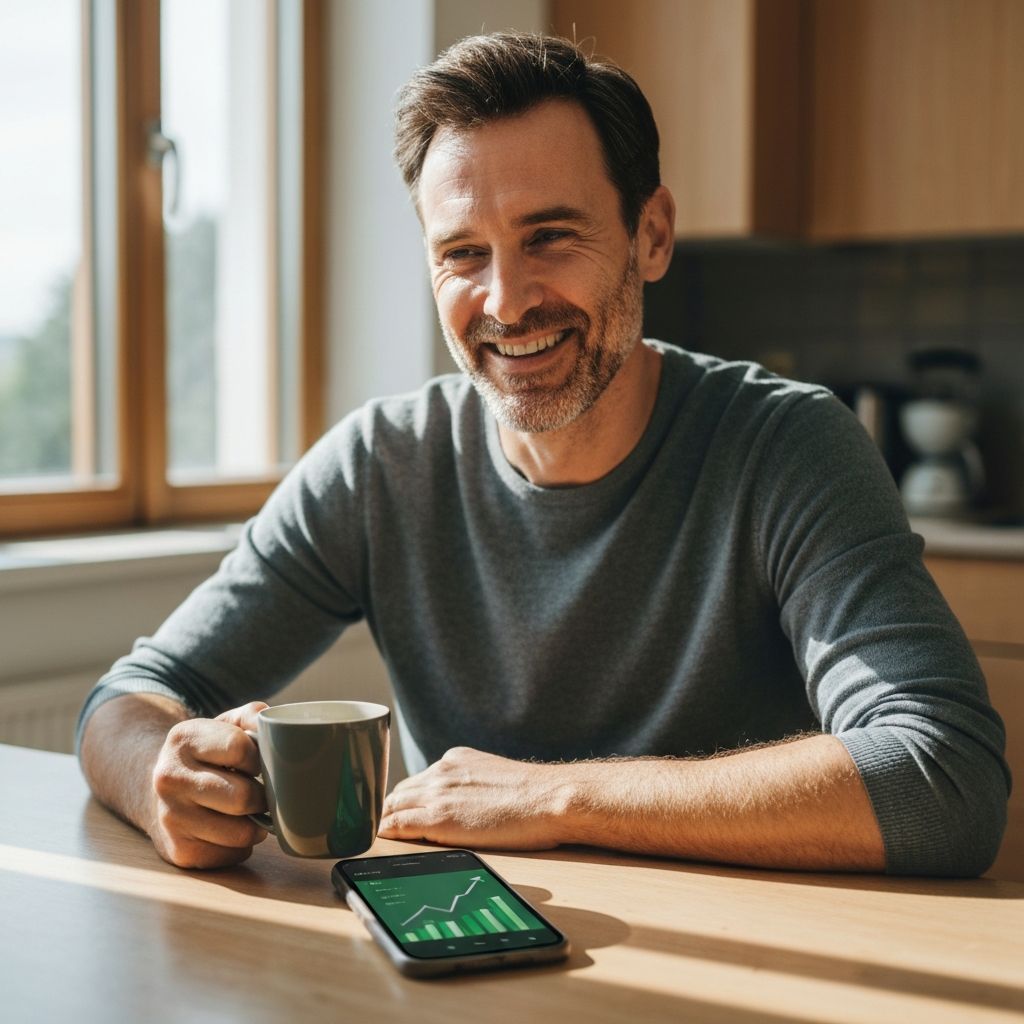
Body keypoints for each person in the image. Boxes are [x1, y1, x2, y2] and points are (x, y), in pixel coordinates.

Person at [77, 32, 1009, 877]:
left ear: (650, 234)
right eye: (462, 253)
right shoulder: (381, 465)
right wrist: (165, 775)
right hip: (468, 957)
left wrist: (552, 796)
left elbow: (944, 778)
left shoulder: (786, 447)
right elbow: (132, 696)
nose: (507, 301)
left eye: (550, 237)